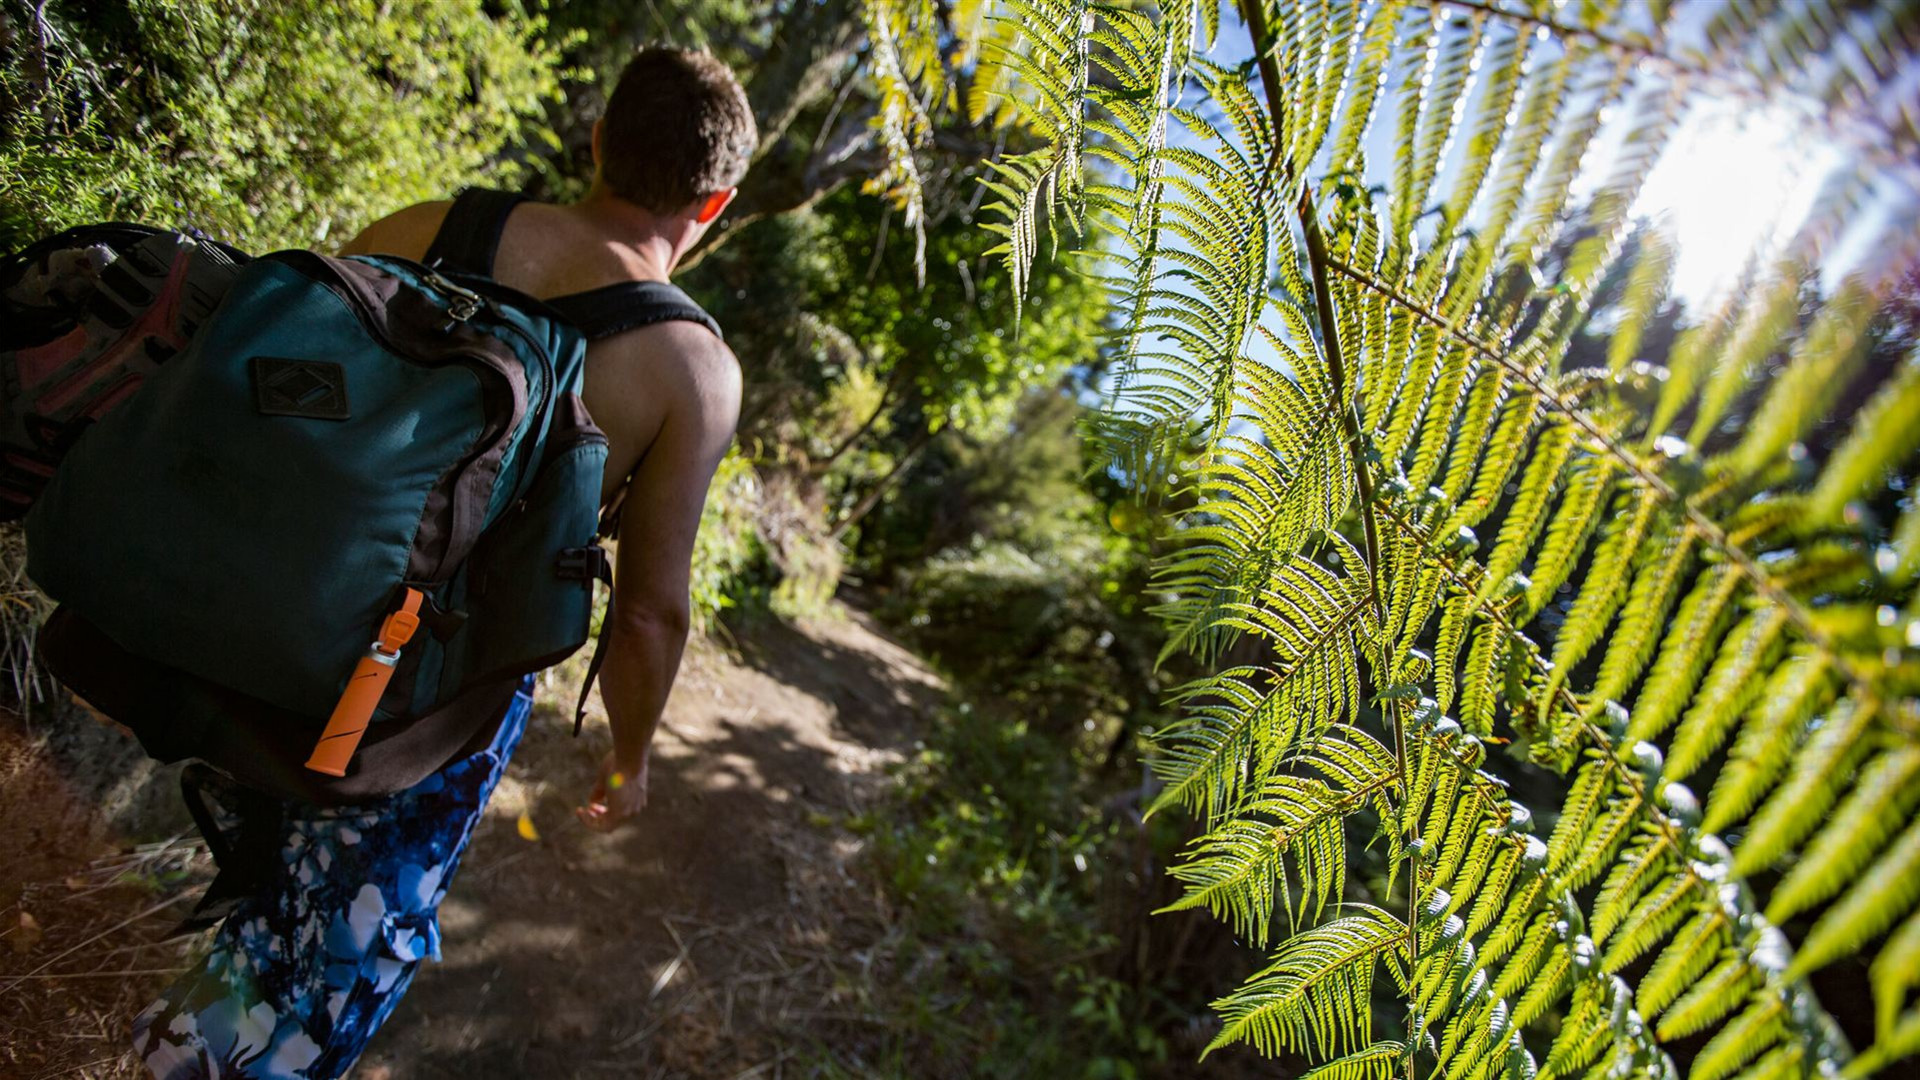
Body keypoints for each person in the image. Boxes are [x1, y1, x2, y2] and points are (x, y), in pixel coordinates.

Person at [130, 47, 754, 1078]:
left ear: (598, 138)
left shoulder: (430, 226)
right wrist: (629, 760)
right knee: (321, 967)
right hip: (430, 703)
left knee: (257, 887)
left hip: (274, 601)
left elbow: (275, 382)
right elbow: (650, 613)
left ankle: (166, 1032)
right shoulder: (692, 369)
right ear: (715, 203)